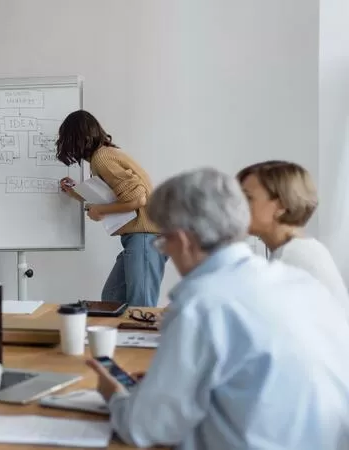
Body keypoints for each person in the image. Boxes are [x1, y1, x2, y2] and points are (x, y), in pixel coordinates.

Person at [86, 168, 349, 449]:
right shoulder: (299, 283)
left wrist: (113, 394)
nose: (165, 253)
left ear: (184, 240)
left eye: (163, 242)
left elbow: (147, 427)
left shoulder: (199, 304)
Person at [55, 110, 167, 307]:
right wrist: (74, 192)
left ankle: (138, 338)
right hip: (141, 237)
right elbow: (112, 195)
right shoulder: (105, 156)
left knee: (141, 306)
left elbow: (138, 198)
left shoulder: (102, 158)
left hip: (145, 236)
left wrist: (100, 211)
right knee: (112, 297)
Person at [238, 160, 349, 309]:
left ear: (281, 206)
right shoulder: (303, 250)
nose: (237, 205)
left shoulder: (293, 258)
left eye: (248, 198)